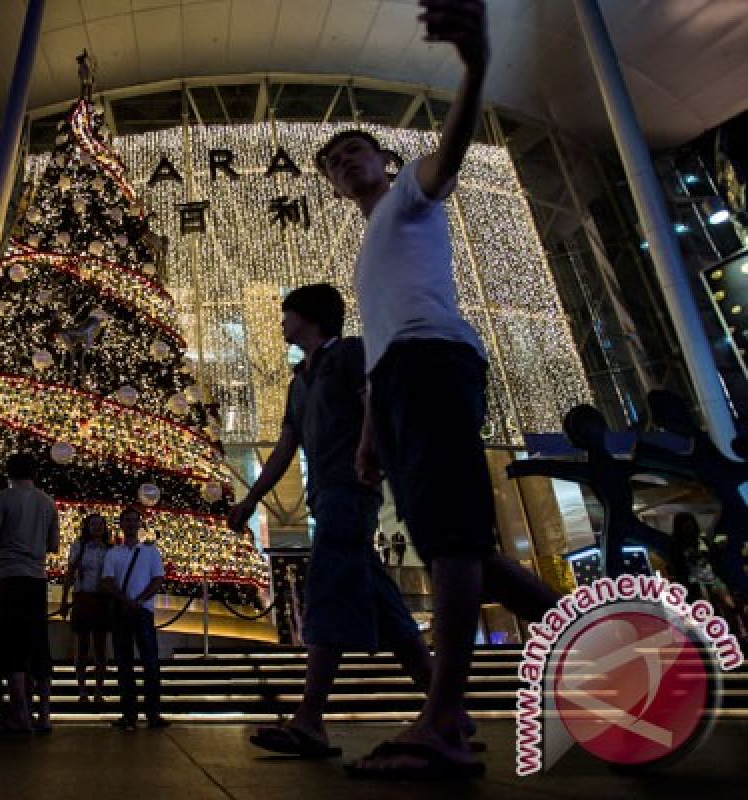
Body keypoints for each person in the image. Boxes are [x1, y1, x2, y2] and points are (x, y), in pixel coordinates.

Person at [320, 0, 560, 778]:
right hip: (397, 382)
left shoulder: (410, 198)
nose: (344, 163)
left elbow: (451, 151)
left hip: (435, 365)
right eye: (333, 162)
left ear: (385, 161)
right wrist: (366, 434)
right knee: (457, 547)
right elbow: (380, 336)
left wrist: (476, 63)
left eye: (356, 151)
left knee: (454, 540)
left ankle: (446, 724)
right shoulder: (371, 242)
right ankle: (590, 631)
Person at [228, 284, 442, 759]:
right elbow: (286, 447)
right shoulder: (298, 380)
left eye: (287, 313)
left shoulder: (349, 353)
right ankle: (449, 712)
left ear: (309, 316)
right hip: (327, 496)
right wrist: (251, 500)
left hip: (352, 488)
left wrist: (368, 453)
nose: (281, 321)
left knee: (324, 587)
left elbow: (372, 404)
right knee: (387, 609)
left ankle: (309, 720)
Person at [0, 452, 60, 733]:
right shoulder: (48, 502)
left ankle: (21, 715)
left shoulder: (4, 498)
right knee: (38, 643)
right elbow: (53, 545)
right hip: (36, 578)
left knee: (12, 644)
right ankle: (45, 715)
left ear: (10, 472)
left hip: (8, 576)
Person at [102, 506, 169, 731]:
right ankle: (129, 715)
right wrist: (125, 600)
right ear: (121, 525)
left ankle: (153, 714)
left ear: (139, 525)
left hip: (143, 612)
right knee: (124, 664)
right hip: (122, 613)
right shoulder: (113, 553)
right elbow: (107, 581)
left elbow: (157, 579)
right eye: (127, 520)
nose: (131, 524)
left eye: (134, 520)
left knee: (150, 663)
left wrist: (138, 601)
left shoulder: (150, 552)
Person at [60, 512, 113, 704]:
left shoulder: (110, 549)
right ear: (87, 527)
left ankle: (98, 690)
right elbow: (70, 573)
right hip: (82, 597)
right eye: (93, 524)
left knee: (100, 647)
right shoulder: (79, 547)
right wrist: (64, 600)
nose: (97, 527)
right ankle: (82, 690)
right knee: (81, 646)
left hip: (102, 600)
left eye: (100, 524)